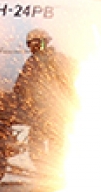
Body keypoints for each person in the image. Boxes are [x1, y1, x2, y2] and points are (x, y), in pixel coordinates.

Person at [12, 28, 76, 170]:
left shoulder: (34, 62)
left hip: (43, 110)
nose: (33, 48)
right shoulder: (61, 59)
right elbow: (71, 82)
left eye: (35, 44)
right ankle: (55, 172)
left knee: (37, 143)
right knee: (56, 142)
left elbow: (20, 85)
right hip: (58, 109)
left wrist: (19, 101)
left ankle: (44, 173)